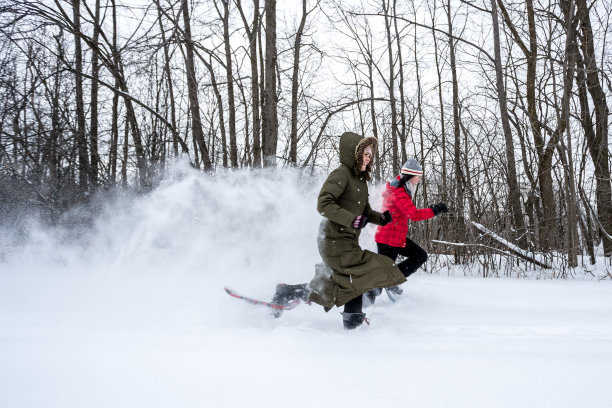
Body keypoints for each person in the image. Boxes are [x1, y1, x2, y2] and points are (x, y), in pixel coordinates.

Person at [272, 132, 406, 329]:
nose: (369, 158)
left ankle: (287, 292)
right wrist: (352, 220)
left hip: (347, 241)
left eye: (371, 154)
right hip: (333, 239)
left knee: (336, 286)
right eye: (366, 153)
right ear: (354, 154)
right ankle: (353, 321)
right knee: (361, 272)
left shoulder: (360, 180)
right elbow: (323, 203)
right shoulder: (341, 174)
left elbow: (365, 211)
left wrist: (381, 218)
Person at [365, 158, 448, 305]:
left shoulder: (402, 189)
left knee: (419, 256)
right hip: (388, 240)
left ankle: (391, 281)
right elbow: (414, 215)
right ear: (410, 176)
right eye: (418, 177)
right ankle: (363, 305)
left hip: (396, 238)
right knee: (380, 279)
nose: (419, 180)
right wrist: (435, 210)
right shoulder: (399, 192)